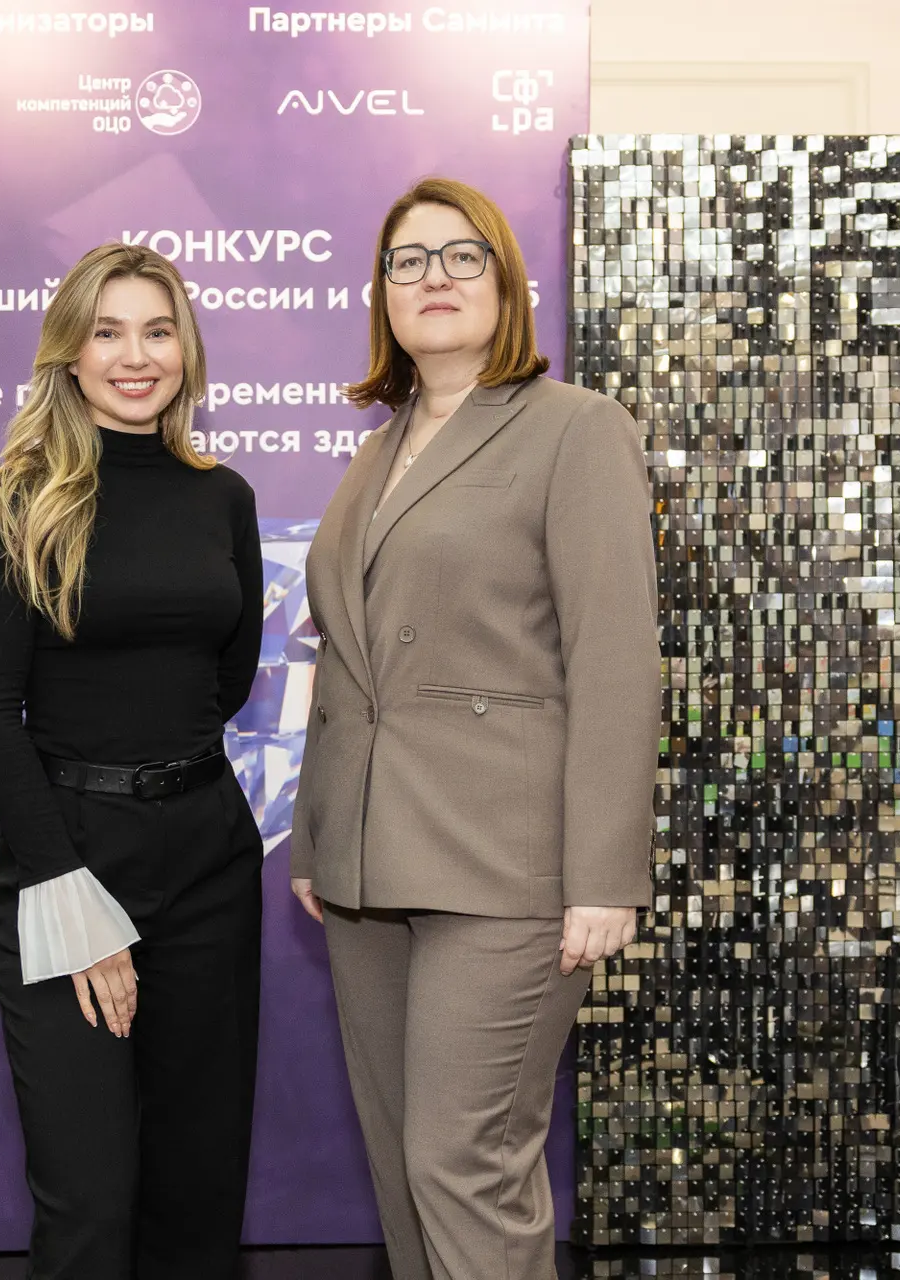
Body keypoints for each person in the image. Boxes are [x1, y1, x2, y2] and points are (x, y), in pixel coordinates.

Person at [289, 177, 661, 1279]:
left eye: (463, 255)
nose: (434, 278)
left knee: (464, 1160)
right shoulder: (377, 450)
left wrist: (605, 875)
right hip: (367, 864)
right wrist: (315, 840)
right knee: (404, 1162)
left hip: (509, 863)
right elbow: (347, 665)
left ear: (507, 283)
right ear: (382, 294)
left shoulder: (576, 429)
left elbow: (614, 657)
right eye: (407, 261)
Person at [0, 242, 264, 1279]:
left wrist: (167, 781)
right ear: (71, 353)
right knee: (88, 1201)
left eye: (158, 330)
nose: (137, 356)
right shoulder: (24, 495)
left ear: (187, 350)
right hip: (67, 855)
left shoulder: (224, 495)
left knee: (198, 1187)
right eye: (109, 331)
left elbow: (227, 679)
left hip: (210, 858)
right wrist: (73, 892)